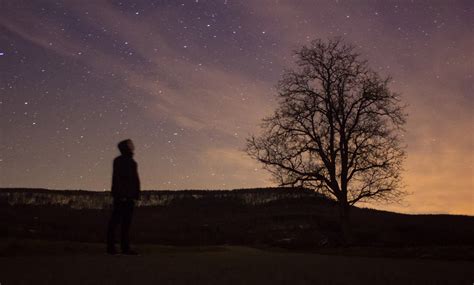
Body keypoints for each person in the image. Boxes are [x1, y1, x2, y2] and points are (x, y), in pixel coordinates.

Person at [106, 139, 140, 255]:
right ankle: (111, 248)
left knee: (126, 224)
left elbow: (135, 180)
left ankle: (125, 248)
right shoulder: (120, 161)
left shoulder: (132, 162)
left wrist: (135, 194)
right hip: (121, 196)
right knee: (116, 222)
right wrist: (120, 194)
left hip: (129, 197)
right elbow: (117, 179)